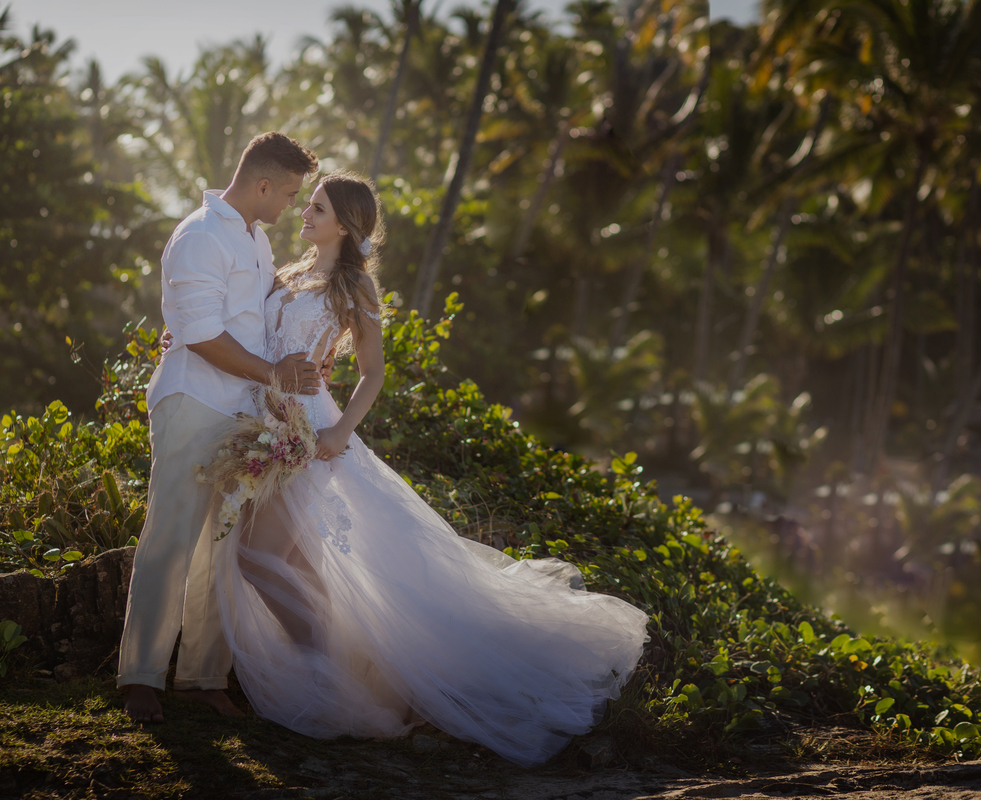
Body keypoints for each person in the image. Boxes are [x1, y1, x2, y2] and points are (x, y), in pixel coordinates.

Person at [209, 170, 650, 766]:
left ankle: (336, 678)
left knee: (259, 559)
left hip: (314, 433)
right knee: (287, 562)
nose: (304, 215)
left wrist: (341, 430)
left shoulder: (354, 286)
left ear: (344, 222)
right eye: (306, 205)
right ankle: (349, 676)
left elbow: (373, 371)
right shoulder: (285, 275)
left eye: (316, 208)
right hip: (268, 421)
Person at [117, 131, 321, 723]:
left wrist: (300, 360)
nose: (288, 208)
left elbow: (250, 322)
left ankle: (204, 678)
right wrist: (275, 374)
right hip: (193, 401)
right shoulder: (201, 236)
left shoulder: (252, 238)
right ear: (261, 185)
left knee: (221, 549)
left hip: (243, 414)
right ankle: (142, 677)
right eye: (286, 194)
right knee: (172, 537)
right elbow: (202, 334)